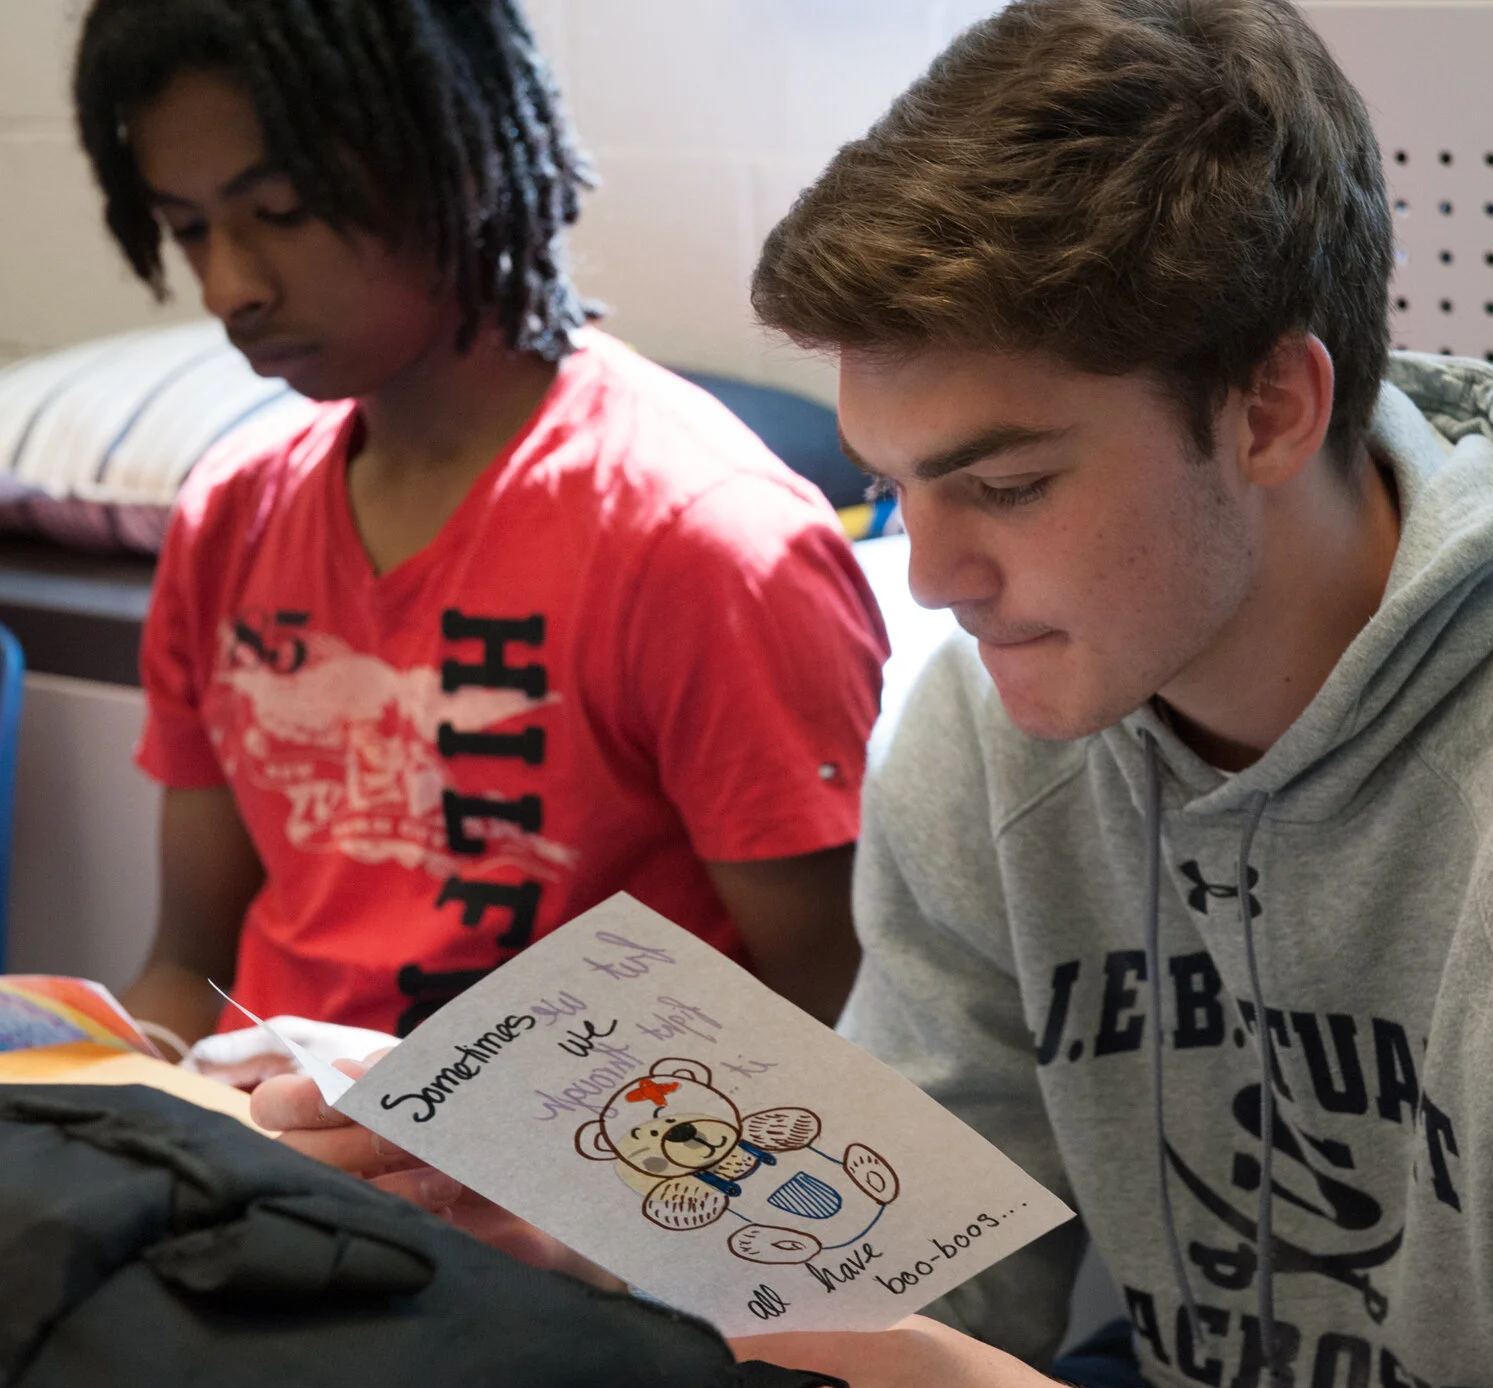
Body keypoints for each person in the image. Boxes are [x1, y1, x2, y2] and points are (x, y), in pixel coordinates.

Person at [261, 1, 1493, 1388]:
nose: (934, 574)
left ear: (1267, 409)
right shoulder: (991, 723)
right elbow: (944, 1268)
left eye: (1007, 486)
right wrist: (601, 1220)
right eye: (897, 487)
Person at [72, 0, 887, 1051]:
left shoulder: (703, 543)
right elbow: (186, 967)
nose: (231, 286)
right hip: (259, 1159)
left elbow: (837, 1029)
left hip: (568, 1182)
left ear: (452, 160)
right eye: (189, 230)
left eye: (279, 211)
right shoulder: (230, 510)